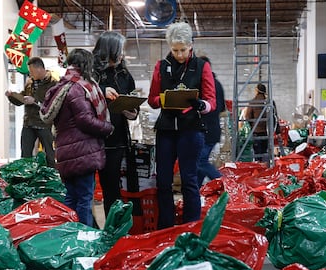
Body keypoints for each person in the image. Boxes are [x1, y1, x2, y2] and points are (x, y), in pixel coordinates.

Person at [147, 22, 216, 229]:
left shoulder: (202, 67)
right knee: (163, 182)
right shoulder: (161, 66)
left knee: (189, 180)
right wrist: (165, 100)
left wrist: (200, 104)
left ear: (191, 46)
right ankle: (166, 226)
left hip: (191, 129)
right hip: (166, 129)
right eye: (175, 50)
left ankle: (191, 226)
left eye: (183, 50)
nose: (179, 54)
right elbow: (152, 99)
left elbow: (211, 101)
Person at [40, 49, 113, 226]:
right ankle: (84, 240)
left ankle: (70, 238)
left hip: (66, 152)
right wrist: (108, 127)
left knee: (72, 198)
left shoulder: (61, 87)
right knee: (84, 199)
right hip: (82, 152)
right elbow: (85, 120)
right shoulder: (79, 88)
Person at [92, 31, 139, 217]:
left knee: (112, 187)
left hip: (116, 139)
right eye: (119, 50)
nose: (121, 54)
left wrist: (131, 111)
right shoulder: (90, 72)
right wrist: (102, 90)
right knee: (86, 189)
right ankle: (88, 228)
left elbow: (134, 103)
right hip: (90, 138)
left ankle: (114, 229)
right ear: (108, 50)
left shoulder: (124, 74)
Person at [5, 57, 58, 167]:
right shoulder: (30, 82)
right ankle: (25, 177)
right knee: (25, 153)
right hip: (28, 122)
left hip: (44, 124)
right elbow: (22, 99)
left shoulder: (53, 84)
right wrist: (12, 96)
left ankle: (52, 176)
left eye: (32, 71)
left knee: (49, 153)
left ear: (39, 69)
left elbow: (54, 105)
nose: (30, 74)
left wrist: (35, 102)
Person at [197, 55, 226, 186]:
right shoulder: (217, 84)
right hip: (212, 129)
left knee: (200, 161)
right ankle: (194, 191)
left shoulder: (207, 85)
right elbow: (222, 109)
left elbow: (213, 108)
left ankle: (224, 184)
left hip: (206, 130)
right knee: (199, 163)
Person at [244, 83, 274, 162]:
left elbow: (247, 117)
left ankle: (259, 169)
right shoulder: (269, 102)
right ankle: (266, 168)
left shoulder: (253, 102)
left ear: (256, 90)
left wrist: (252, 126)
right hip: (267, 132)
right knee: (265, 153)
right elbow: (274, 117)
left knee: (257, 154)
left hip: (256, 132)